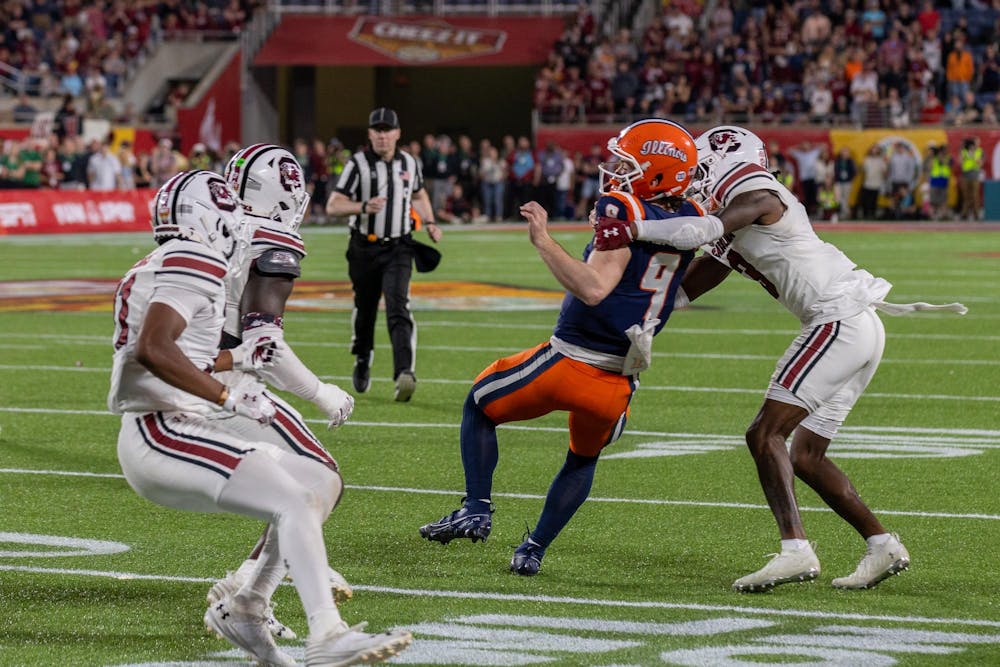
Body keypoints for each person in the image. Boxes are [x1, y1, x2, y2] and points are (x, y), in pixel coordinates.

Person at [595, 125, 966, 592]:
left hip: (838, 319)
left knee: (764, 433)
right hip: (856, 322)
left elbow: (704, 230)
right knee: (806, 457)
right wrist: (641, 317)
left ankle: (795, 551)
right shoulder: (738, 212)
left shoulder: (756, 192)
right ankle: (882, 544)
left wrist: (633, 229)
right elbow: (691, 284)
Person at [109, 170, 412, 666]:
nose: (236, 223)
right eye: (225, 211)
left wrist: (238, 359)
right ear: (208, 217)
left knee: (314, 483)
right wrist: (229, 398)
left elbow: (185, 356)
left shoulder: (171, 261)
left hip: (179, 419)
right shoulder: (194, 257)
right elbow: (154, 348)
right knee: (294, 500)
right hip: (161, 428)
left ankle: (249, 611)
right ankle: (324, 634)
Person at [418, 119, 699, 576]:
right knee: (582, 457)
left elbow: (594, 288)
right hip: (618, 382)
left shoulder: (626, 209)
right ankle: (533, 549)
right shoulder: (690, 218)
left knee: (479, 402)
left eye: (628, 165)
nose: (617, 172)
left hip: (570, 361)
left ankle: (476, 508)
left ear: (657, 172)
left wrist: (543, 240)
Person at [204, 144, 358, 640]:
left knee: (295, 486)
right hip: (225, 385)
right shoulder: (272, 238)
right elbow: (262, 346)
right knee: (320, 479)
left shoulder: (214, 226)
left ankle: (258, 578)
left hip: (182, 375)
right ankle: (249, 593)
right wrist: (321, 392)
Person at [326, 108, 442, 402]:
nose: (382, 135)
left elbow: (418, 193)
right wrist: (363, 207)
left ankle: (404, 373)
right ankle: (363, 356)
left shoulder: (410, 163)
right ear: (369, 134)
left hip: (399, 247)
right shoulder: (357, 164)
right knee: (365, 309)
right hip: (364, 247)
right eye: (377, 130)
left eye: (387, 129)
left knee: (398, 306)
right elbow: (333, 205)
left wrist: (429, 221)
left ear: (397, 133)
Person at [958, 136, 983, 221]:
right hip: (966, 176)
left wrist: (974, 158)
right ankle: (964, 214)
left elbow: (980, 163)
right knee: (966, 196)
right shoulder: (964, 152)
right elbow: (960, 162)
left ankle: (976, 214)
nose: (973, 146)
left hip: (975, 176)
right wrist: (964, 155)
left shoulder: (979, 151)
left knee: (975, 196)